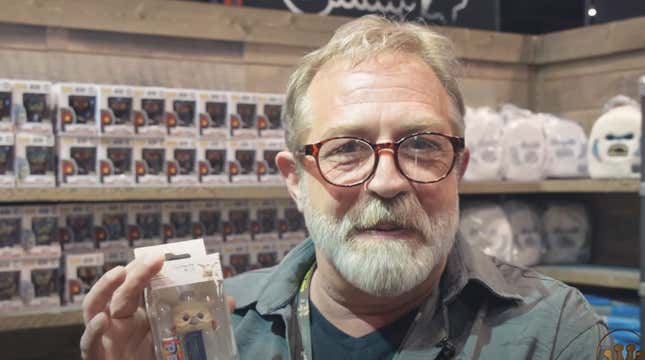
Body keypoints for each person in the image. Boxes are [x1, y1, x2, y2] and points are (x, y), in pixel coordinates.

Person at [80, 15, 606, 360]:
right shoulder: (220, 332)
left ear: (459, 168)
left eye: (421, 145)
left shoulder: (557, 330)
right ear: (295, 179)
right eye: (346, 149)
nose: (386, 180)